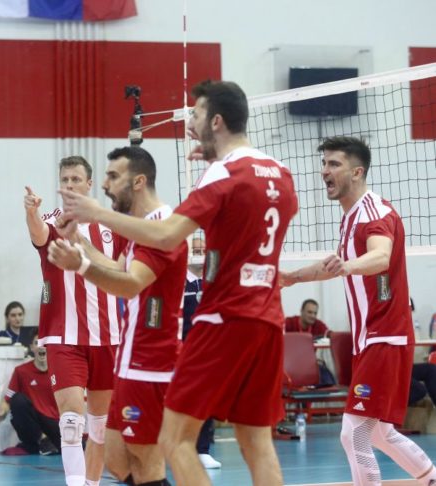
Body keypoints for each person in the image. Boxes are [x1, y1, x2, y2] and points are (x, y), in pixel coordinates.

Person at [60, 80, 298, 486]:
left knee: (175, 441)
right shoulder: (280, 173)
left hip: (222, 318)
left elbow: (168, 236)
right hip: (268, 318)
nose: (190, 122)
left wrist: (95, 214)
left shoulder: (222, 174)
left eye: (197, 114)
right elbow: (256, 220)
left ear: (216, 121)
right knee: (256, 443)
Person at [279, 136, 436, 486]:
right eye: (324, 164)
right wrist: (291, 278)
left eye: (334, 164)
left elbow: (380, 256)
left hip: (385, 336)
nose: (325, 171)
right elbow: (334, 265)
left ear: (357, 171)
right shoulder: (351, 217)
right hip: (371, 339)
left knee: (354, 433)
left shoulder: (374, 213)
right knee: (379, 433)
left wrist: (348, 266)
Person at [48, 146, 187, 486]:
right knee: (116, 457)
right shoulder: (141, 228)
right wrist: (79, 242)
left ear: (138, 182)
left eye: (113, 176)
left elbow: (129, 285)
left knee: (146, 460)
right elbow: (116, 268)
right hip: (130, 355)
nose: (105, 185)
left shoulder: (161, 227)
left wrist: (80, 266)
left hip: (152, 359)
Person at [25, 155, 123, 486]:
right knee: (70, 422)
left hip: (108, 335)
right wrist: (31, 213)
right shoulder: (51, 220)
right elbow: (39, 235)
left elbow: (125, 269)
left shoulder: (110, 225)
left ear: (89, 184)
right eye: (65, 179)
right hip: (63, 335)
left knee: (99, 427)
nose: (69, 185)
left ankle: (91, 483)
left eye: (75, 179)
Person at [181, 238, 221, 470]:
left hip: (205, 351)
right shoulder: (179, 281)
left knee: (204, 400)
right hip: (178, 350)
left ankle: (202, 450)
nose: (199, 253)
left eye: (202, 250)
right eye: (195, 250)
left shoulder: (212, 281)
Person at [0, 334, 60, 456]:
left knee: (78, 444)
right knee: (18, 399)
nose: (41, 347)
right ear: (31, 347)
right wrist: (2, 411)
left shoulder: (60, 371)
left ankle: (43, 445)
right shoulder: (21, 371)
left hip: (53, 423)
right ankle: (43, 440)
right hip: (32, 425)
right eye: (37, 343)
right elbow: (8, 399)